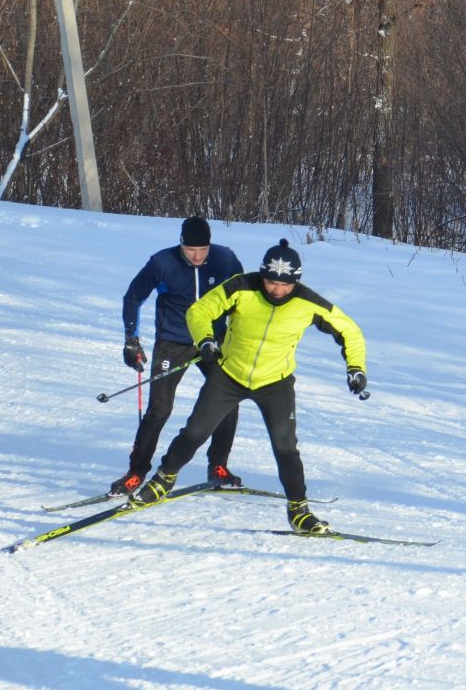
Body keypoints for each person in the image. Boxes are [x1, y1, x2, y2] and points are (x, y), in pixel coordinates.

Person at [130, 239, 369, 535]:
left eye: (285, 285)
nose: (277, 291)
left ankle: (299, 510)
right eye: (271, 282)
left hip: (275, 383)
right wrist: (205, 338)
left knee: (285, 447)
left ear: (297, 281)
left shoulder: (309, 303)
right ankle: (164, 478)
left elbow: (351, 331)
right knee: (195, 432)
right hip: (229, 375)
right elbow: (199, 311)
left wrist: (356, 368)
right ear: (262, 275)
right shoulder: (241, 286)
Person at [116, 216, 246, 495]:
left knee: (227, 403)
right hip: (173, 342)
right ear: (181, 245)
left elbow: (243, 299)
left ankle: (218, 466)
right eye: (191, 250)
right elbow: (133, 297)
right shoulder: (163, 263)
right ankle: (136, 472)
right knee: (159, 409)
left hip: (213, 340)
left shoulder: (225, 260)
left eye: (203, 250)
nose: (198, 256)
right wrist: (132, 340)